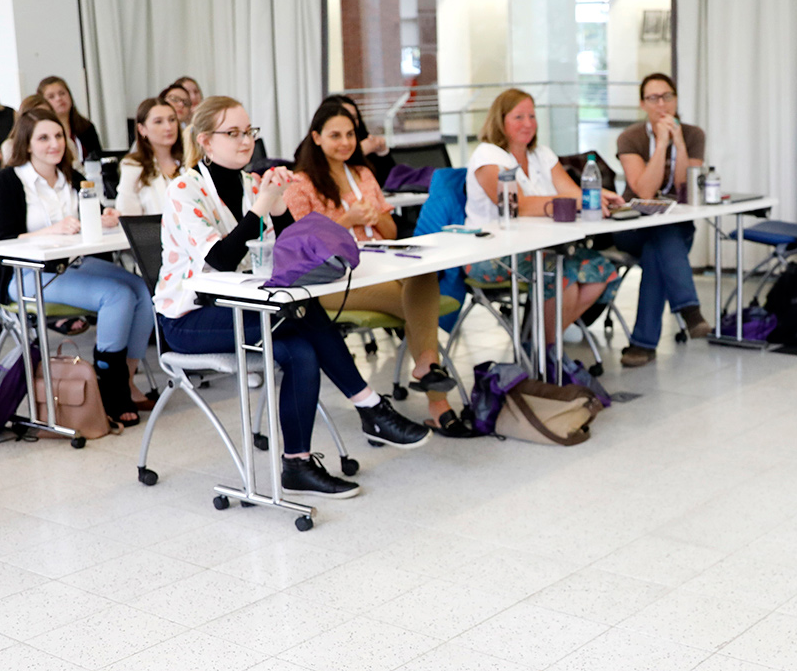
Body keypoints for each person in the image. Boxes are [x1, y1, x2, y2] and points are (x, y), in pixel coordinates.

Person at [152, 96, 431, 499]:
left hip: (244, 306)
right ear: (206, 142)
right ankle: (370, 408)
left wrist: (279, 206)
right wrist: (260, 210)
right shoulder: (184, 189)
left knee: (300, 349)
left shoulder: (251, 184)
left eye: (249, 132)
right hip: (189, 318)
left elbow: (290, 250)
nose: (245, 140)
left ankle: (297, 465)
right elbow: (220, 259)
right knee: (300, 314)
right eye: (233, 133)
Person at [287, 101, 462, 431]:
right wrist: (345, 220)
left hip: (380, 265)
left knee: (423, 273)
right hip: (333, 281)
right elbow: (301, 247)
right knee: (418, 308)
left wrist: (376, 216)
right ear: (316, 137)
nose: (345, 142)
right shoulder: (301, 184)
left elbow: (392, 232)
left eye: (350, 134)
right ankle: (438, 399)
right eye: (335, 135)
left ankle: (427, 366)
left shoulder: (364, 174)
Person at [0, 107, 154, 426]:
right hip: (28, 275)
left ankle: (125, 380)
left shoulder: (72, 178)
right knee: (116, 295)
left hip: (74, 265)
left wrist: (106, 217)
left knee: (143, 288)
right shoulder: (6, 182)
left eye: (59, 136)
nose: (54, 143)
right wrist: (50, 230)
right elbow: (1, 241)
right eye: (44, 138)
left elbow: (93, 215)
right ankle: (111, 388)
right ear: (28, 144)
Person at [463, 88, 623, 342]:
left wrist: (599, 195)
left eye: (532, 116)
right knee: (562, 273)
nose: (528, 124)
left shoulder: (542, 154)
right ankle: (547, 353)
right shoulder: (487, 156)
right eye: (519, 117)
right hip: (491, 254)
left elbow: (572, 192)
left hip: (539, 248)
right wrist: (575, 200)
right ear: (500, 121)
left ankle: (543, 344)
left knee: (602, 270)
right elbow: (518, 206)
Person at [613, 72, 711, 367]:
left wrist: (679, 145)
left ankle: (643, 344)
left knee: (660, 243)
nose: (662, 104)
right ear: (643, 103)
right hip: (633, 226)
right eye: (653, 98)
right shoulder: (630, 137)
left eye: (667, 96)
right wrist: (660, 144)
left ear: (676, 99)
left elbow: (684, 189)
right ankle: (690, 311)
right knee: (660, 233)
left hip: (674, 229)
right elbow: (644, 190)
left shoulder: (694, 135)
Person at [116, 97, 191, 215]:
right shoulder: (133, 166)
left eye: (172, 120)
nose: (168, 127)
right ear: (142, 129)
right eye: (158, 122)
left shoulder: (189, 161)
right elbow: (129, 218)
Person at [321, 92, 396, 185]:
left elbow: (389, 179)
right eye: (345, 116)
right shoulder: (317, 146)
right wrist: (359, 151)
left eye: (354, 117)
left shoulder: (364, 138)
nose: (350, 122)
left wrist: (383, 152)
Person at [35, 76, 103, 163]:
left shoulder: (86, 127)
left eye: (62, 93)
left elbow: (97, 157)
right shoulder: (41, 131)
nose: (59, 99)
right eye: (51, 97)